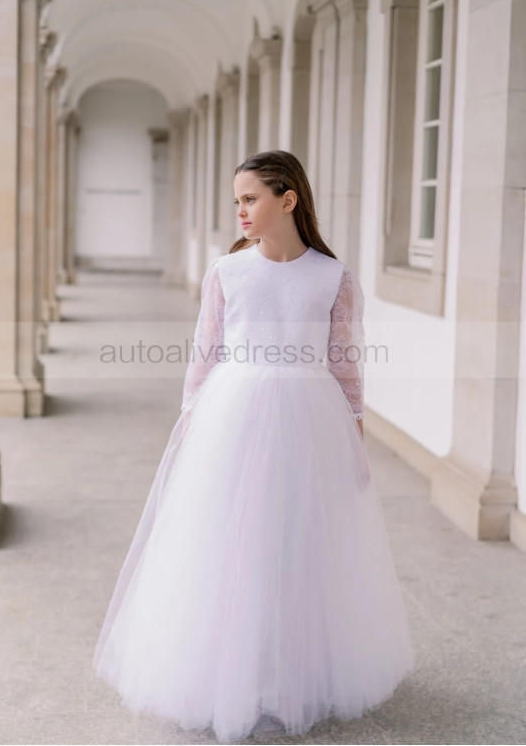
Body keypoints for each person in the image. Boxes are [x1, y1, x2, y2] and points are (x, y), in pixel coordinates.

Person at [92, 150, 416, 743]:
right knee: (231, 542)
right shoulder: (227, 272)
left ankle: (292, 671)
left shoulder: (332, 278)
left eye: (250, 198)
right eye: (236, 201)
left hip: (310, 420)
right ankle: (229, 673)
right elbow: (205, 352)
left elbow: (346, 365)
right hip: (232, 415)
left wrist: (355, 438)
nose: (240, 210)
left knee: (298, 541)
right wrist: (190, 422)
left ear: (287, 199)